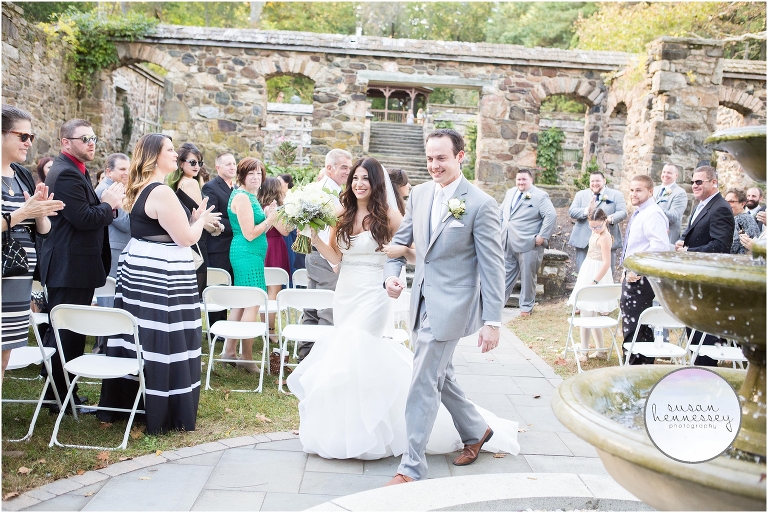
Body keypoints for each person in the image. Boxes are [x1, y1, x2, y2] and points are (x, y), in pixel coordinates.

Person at [287, 156, 519, 462]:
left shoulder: (389, 217)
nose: (359, 184)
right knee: (350, 353)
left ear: (376, 183)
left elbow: (415, 255)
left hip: (376, 291)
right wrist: (314, 238)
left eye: (365, 179)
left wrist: (396, 261)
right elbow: (335, 260)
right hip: (346, 292)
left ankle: (379, 431)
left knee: (358, 346)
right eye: (355, 178)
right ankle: (348, 430)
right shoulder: (341, 213)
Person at [383, 129, 517, 485]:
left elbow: (493, 267)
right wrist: (391, 276)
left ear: (460, 157)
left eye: (441, 158)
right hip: (420, 302)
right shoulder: (420, 195)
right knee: (442, 375)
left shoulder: (481, 204)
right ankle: (476, 431)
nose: (433, 165)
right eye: (429, 158)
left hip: (453, 306)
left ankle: (410, 468)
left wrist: (493, 321)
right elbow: (400, 243)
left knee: (422, 381)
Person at [97, 133, 220, 434]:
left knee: (142, 333)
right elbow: (186, 239)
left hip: (141, 265)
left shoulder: (139, 187)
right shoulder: (162, 192)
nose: (175, 154)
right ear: (154, 156)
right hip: (162, 273)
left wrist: (191, 220)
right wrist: (200, 221)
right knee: (163, 335)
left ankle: (132, 402)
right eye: (169, 150)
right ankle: (165, 406)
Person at [39, 119, 125, 413]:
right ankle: (60, 398)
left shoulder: (75, 170)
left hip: (73, 264)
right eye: (85, 138)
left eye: (94, 137)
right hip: (69, 265)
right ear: (66, 142)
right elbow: (85, 218)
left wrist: (103, 204)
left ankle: (60, 394)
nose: (92, 143)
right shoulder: (65, 174)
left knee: (68, 332)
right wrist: (109, 203)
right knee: (67, 333)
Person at [1, 105, 64, 379]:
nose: (28, 143)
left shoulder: (22, 174)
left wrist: (39, 213)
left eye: (31, 137)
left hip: (18, 279)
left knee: (4, 356)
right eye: (22, 136)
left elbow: (43, 230)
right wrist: (23, 213)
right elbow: (17, 218)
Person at [224, 158, 281, 372]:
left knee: (241, 302)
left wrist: (266, 216)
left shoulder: (249, 196)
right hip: (246, 253)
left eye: (259, 173)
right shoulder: (243, 197)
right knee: (252, 302)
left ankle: (230, 351)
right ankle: (246, 357)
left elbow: (255, 227)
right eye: (251, 174)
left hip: (251, 253)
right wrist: (271, 219)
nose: (256, 177)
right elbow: (249, 234)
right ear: (241, 176)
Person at [675, 166, 735, 367]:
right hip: (694, 278)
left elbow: (720, 246)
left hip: (708, 281)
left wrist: (689, 252)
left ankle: (706, 374)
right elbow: (692, 232)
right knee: (693, 328)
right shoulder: (700, 205)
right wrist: (682, 241)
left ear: (714, 183)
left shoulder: (721, 208)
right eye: (693, 182)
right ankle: (695, 371)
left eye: (699, 182)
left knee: (705, 334)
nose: (694, 185)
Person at [298, 148, 352, 362]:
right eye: (343, 167)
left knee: (312, 306)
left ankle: (306, 358)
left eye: (349, 167)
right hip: (325, 257)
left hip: (316, 254)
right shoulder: (325, 192)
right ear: (329, 168)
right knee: (327, 309)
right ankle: (319, 362)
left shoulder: (330, 189)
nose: (348, 172)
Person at [620, 175, 670, 365]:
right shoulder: (641, 212)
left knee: (636, 328)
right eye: (631, 190)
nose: (633, 194)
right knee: (635, 326)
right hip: (633, 276)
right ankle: (639, 370)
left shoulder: (652, 213)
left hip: (640, 280)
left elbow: (659, 247)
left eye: (638, 190)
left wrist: (637, 270)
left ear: (651, 191)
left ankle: (635, 370)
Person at [168, 143, 223, 298]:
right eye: (192, 162)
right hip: (197, 243)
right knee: (196, 296)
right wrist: (216, 229)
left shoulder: (175, 184)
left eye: (200, 163)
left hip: (184, 242)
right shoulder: (191, 182)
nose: (197, 166)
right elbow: (202, 219)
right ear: (181, 163)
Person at [499, 169, 556, 317]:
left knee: (527, 277)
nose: (521, 182)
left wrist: (542, 236)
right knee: (505, 274)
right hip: (508, 241)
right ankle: (497, 304)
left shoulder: (540, 196)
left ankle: (526, 307)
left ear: (531, 180)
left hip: (529, 244)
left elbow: (550, 215)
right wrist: (499, 229)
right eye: (518, 180)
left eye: (524, 179)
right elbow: (501, 212)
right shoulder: (510, 192)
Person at [92, 153, 131, 354]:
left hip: (117, 247)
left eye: (128, 168)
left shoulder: (117, 189)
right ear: (108, 171)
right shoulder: (105, 190)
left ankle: (109, 345)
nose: (127, 173)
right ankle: (104, 347)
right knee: (108, 299)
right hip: (113, 249)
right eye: (122, 169)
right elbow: (125, 223)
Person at [567, 209, 616, 362]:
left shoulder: (605, 237)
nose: (595, 230)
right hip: (588, 269)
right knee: (590, 312)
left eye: (598, 227)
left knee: (587, 314)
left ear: (605, 221)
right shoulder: (596, 233)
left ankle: (584, 351)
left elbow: (607, 263)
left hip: (597, 273)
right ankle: (600, 350)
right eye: (592, 227)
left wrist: (595, 281)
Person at [202, 152, 237, 328]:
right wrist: (239, 224)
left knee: (232, 285)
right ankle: (216, 327)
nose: (232, 167)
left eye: (233, 163)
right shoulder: (211, 187)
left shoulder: (236, 188)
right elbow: (212, 217)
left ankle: (231, 324)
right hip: (218, 245)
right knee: (218, 286)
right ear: (218, 168)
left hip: (236, 246)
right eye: (228, 164)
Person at [568, 171, 627, 272]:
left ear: (604, 181)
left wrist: (610, 219)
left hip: (607, 239)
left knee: (607, 273)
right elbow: (572, 212)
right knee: (583, 273)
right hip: (584, 241)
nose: (595, 183)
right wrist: (587, 210)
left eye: (598, 181)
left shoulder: (616, 195)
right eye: (592, 181)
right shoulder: (580, 195)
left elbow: (623, 212)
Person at [258, 176, 291, 336]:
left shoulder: (258, 206)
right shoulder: (271, 208)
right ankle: (270, 331)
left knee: (267, 290)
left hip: (266, 246)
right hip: (274, 247)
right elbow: (284, 230)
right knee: (273, 290)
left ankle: (267, 328)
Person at [277, 173, 305, 281]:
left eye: (280, 181)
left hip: (291, 231)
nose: (278, 184)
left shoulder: (292, 196)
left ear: (287, 183)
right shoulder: (278, 196)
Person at [655, 163, 688, 244]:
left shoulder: (680, 193)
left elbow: (674, 217)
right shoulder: (655, 189)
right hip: (652, 235)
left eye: (669, 173)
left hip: (668, 238)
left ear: (676, 176)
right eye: (664, 172)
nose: (665, 175)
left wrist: (654, 205)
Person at [724, 188, 760, 255]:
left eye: (731, 201)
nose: (727, 204)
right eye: (726, 202)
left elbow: (732, 247)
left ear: (742, 204)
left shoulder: (740, 219)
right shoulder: (748, 217)